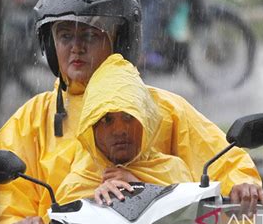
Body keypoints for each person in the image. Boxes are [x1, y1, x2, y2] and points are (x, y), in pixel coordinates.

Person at [0, 0, 263, 224]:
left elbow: (221, 161)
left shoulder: (163, 109)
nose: (76, 47)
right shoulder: (33, 118)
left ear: (122, 41)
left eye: (89, 35)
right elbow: (2, 199)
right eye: (64, 36)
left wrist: (243, 187)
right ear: (50, 45)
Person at [54, 54, 193, 207]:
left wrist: (140, 187)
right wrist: (97, 204)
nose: (119, 130)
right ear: (91, 129)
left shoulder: (173, 171)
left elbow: (194, 223)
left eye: (129, 116)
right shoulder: (75, 188)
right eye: (106, 120)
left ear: (145, 121)